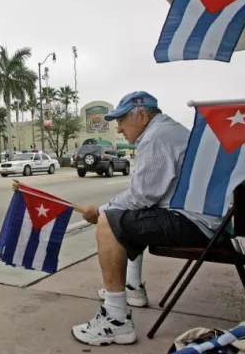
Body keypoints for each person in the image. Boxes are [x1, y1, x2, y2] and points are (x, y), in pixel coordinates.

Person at [71, 91, 221, 347]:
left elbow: (141, 197)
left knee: (110, 220)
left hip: (195, 222)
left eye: (121, 121)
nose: (118, 129)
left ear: (141, 115)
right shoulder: (168, 130)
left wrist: (99, 212)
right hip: (209, 219)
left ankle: (115, 321)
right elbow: (144, 200)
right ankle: (131, 287)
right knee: (125, 216)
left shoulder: (156, 137)